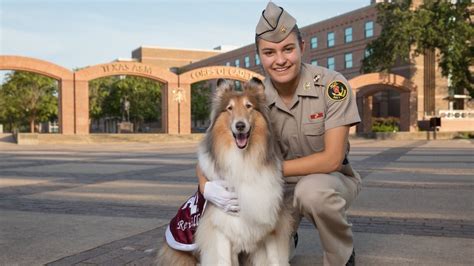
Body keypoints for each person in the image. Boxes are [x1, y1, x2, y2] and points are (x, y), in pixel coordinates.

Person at [197, 2, 362, 265]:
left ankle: (341, 255)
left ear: (302, 47)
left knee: (312, 192)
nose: (280, 60)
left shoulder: (332, 85)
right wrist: (207, 187)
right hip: (275, 191)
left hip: (326, 181)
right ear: (260, 57)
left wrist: (263, 172)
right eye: (269, 52)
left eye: (288, 49)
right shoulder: (255, 99)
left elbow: (332, 159)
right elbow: (211, 152)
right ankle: (289, 235)